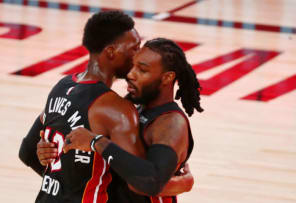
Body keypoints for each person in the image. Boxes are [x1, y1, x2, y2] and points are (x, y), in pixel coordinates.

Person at [19, 11, 192, 203]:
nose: (138, 54)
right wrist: (183, 183)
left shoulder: (62, 86)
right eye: (135, 48)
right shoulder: (116, 110)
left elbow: (27, 152)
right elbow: (145, 182)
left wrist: (62, 181)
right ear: (111, 52)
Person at [62, 38, 203, 202]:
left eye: (142, 70)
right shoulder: (133, 106)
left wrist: (97, 142)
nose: (130, 74)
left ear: (167, 78)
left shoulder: (171, 124)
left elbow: (150, 182)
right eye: (133, 66)